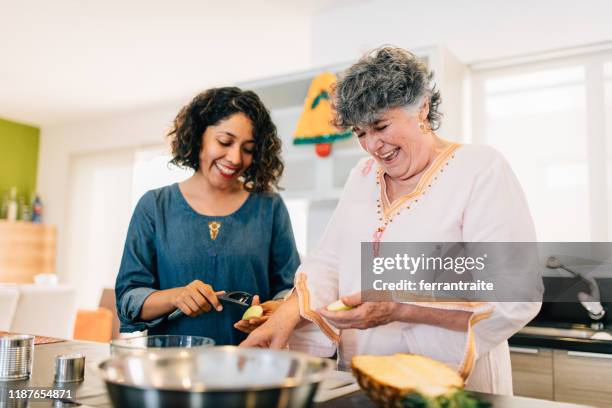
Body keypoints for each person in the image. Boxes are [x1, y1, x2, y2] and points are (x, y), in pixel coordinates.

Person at [241, 47, 542, 394]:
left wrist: (400, 308)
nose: (372, 145)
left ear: (422, 108)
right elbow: (330, 262)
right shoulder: (363, 175)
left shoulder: (480, 169)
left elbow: (515, 295)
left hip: (450, 383)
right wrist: (287, 315)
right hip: (364, 379)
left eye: (381, 126)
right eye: (360, 133)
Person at [115, 87, 300, 345]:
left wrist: (277, 308)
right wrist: (175, 297)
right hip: (171, 368)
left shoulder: (269, 207)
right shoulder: (154, 206)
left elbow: (290, 289)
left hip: (248, 363)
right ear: (198, 135)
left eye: (248, 149)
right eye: (225, 142)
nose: (236, 158)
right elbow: (128, 299)